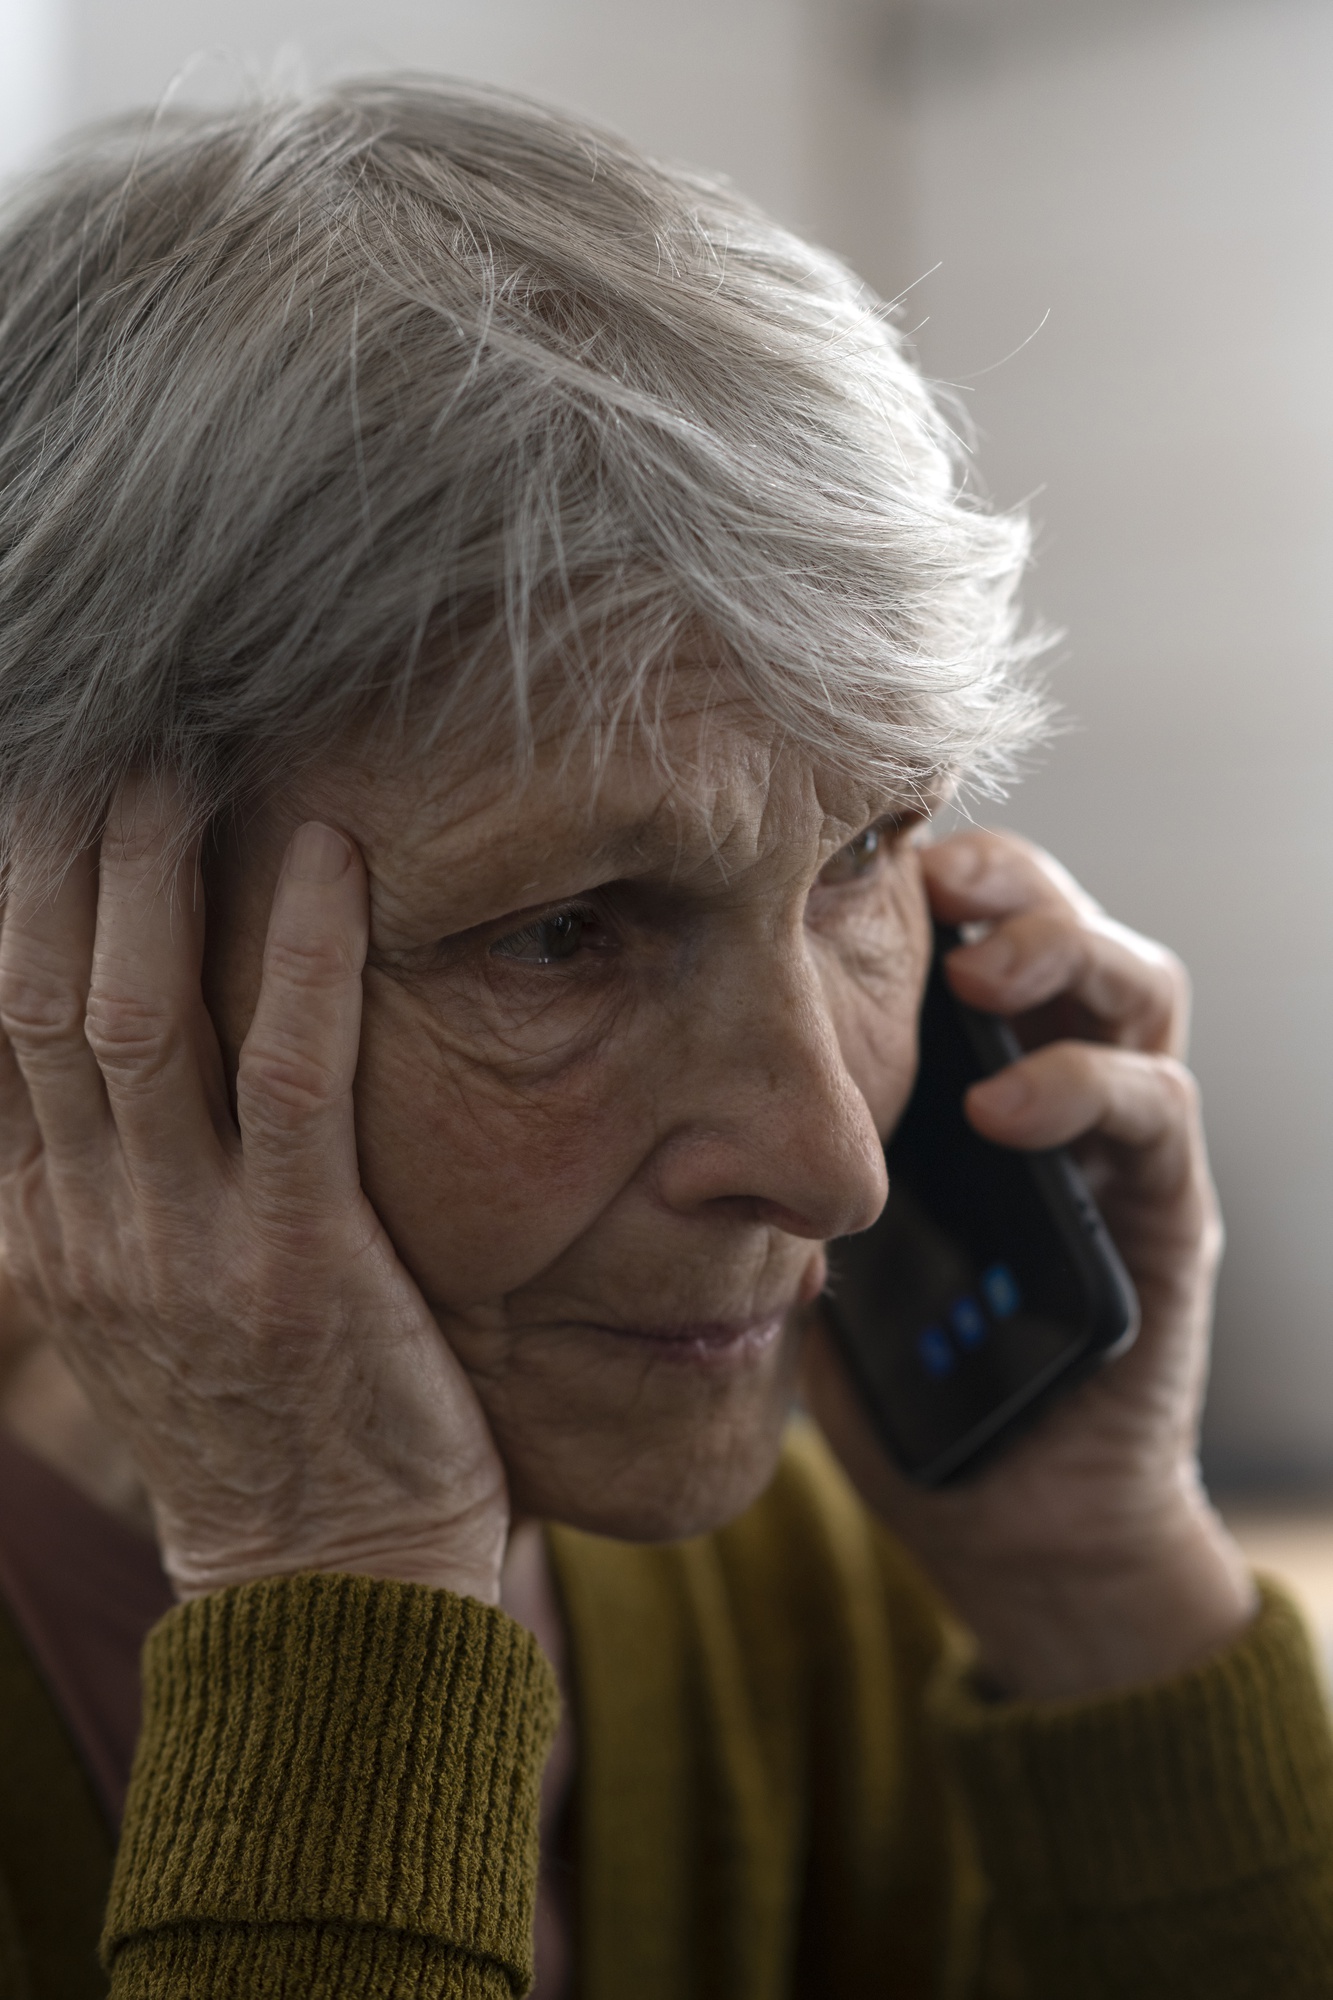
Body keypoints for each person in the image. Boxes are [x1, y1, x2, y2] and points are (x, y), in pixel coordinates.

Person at [0, 76, 1328, 2000]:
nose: (836, 1162)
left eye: (862, 854)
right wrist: (335, 1567)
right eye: (565, 937)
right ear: (53, 962)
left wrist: (1094, 1584)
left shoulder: (799, 1564)